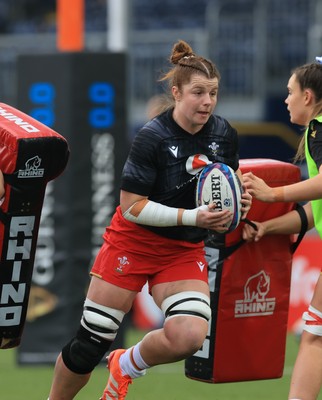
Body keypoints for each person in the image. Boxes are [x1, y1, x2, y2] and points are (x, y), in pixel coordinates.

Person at [48, 39, 252, 400]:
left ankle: (126, 365)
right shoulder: (152, 137)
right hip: (133, 241)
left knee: (189, 335)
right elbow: (131, 206)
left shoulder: (224, 134)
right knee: (90, 343)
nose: (207, 101)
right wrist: (195, 215)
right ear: (176, 92)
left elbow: (226, 190)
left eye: (214, 93)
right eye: (198, 93)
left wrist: (238, 207)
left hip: (182, 249)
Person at [243, 59, 322, 400]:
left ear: (308, 96)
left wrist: (272, 194)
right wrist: (269, 226)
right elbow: (314, 212)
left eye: (290, 92)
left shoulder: (318, 127)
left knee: (315, 335)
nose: (286, 100)